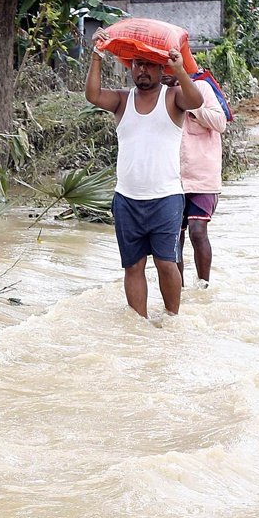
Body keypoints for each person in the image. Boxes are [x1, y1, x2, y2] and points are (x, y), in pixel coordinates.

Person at [86, 38, 203, 318]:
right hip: (127, 199)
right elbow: (92, 95)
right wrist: (96, 56)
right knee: (133, 266)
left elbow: (196, 100)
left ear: (162, 68)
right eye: (138, 64)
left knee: (166, 262)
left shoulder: (173, 97)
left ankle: (172, 319)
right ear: (131, 67)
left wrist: (181, 70)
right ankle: (139, 325)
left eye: (150, 64)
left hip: (166, 198)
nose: (143, 70)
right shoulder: (121, 100)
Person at [162, 69, 226, 290]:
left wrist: (192, 104)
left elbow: (220, 122)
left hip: (203, 176)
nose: (164, 73)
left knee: (197, 231)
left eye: (168, 67)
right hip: (171, 177)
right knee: (173, 237)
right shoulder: (160, 94)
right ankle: (177, 288)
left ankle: (203, 285)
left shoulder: (202, 89)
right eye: (159, 68)